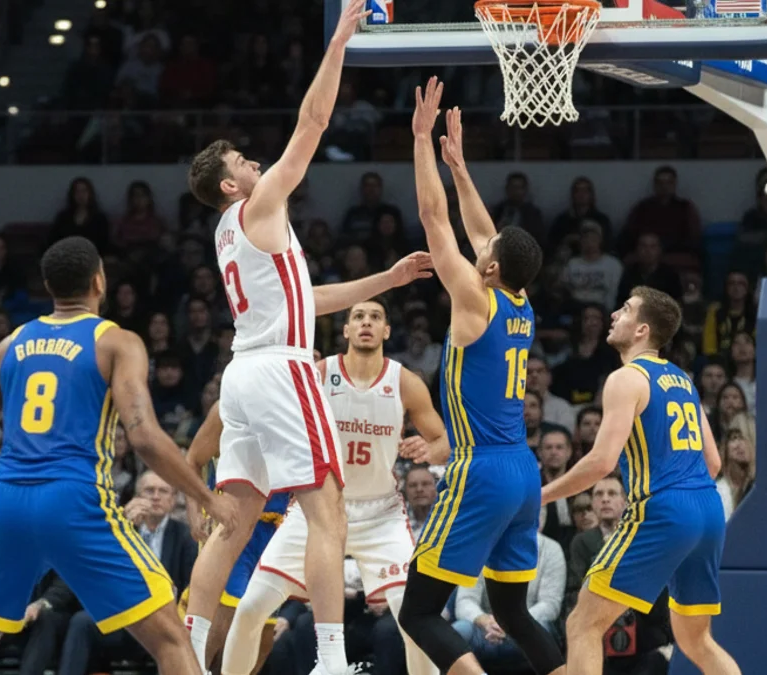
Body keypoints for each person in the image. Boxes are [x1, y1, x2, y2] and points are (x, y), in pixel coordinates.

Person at [182, 3, 432, 673]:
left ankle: (185, 656)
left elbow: (306, 299)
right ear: (232, 184)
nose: (257, 161)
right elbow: (313, 121)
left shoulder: (230, 233)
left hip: (244, 373)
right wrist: (341, 40)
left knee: (232, 523)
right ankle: (328, 660)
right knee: (330, 513)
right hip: (281, 371)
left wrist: (387, 277)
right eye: (244, 159)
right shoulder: (256, 206)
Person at [0, 236, 236, 675]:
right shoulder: (116, 342)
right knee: (171, 639)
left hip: (9, 499)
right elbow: (142, 437)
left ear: (48, 286)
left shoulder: (10, 345)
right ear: (99, 281)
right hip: (75, 498)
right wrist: (207, 495)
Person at [396, 80, 565, 675]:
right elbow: (480, 231)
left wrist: (420, 141)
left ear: (489, 268)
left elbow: (433, 218)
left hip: (481, 468)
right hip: (523, 470)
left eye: (484, 253)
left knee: (416, 614)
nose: (478, 250)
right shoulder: (518, 301)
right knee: (515, 613)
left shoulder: (475, 300)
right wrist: (460, 168)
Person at [217, 298, 447, 675]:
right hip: (316, 509)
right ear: (346, 330)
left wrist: (428, 448)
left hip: (381, 514)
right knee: (252, 606)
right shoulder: (320, 375)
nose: (366, 323)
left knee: (414, 619)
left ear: (387, 331)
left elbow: (442, 442)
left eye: (375, 317)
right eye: (358, 317)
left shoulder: (404, 381)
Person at [541, 286, 741, 675]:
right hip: (707, 508)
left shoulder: (626, 378)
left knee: (582, 624)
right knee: (697, 641)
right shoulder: (683, 381)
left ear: (642, 330)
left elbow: (601, 462)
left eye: (626, 309)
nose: (615, 314)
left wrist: (541, 494)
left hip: (665, 509)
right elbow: (713, 462)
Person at [181, 405, 293, 675]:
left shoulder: (301, 407)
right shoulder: (227, 407)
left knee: (261, 633)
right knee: (219, 622)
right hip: (231, 523)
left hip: (274, 530)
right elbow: (193, 461)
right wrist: (195, 513)